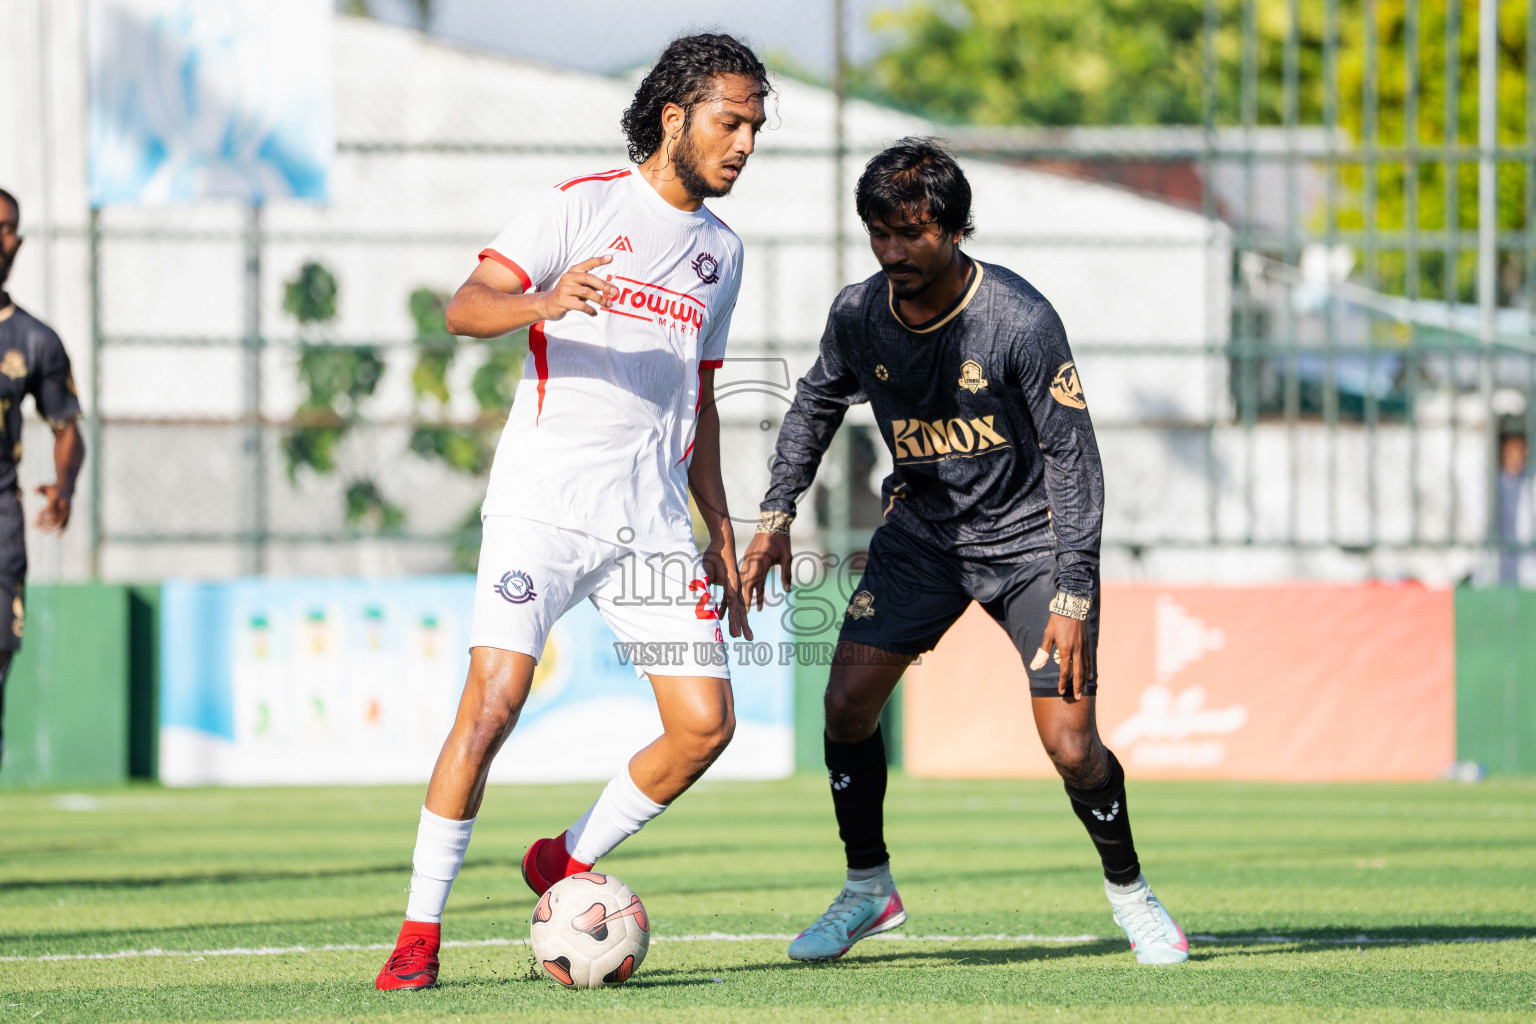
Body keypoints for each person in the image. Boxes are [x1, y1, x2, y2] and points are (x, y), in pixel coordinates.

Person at [374, 34, 769, 991]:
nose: (746, 144)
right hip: (543, 509)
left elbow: (700, 395)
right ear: (675, 116)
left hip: (652, 525)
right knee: (495, 705)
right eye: (731, 122)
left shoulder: (723, 252)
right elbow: (465, 308)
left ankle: (564, 858)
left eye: (756, 126)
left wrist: (720, 526)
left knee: (705, 727)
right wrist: (546, 300)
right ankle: (420, 934)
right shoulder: (580, 206)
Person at [739, 139, 1188, 965]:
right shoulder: (858, 313)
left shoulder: (1017, 319)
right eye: (878, 232)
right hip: (923, 541)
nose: (892, 251)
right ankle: (868, 889)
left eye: (910, 234)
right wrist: (775, 511)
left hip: (1032, 548)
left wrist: (1075, 592)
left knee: (1070, 745)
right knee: (845, 705)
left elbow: (1073, 457)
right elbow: (813, 405)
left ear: (951, 230)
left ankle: (1132, 894)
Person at [0, 188, 85, 775]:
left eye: (7, 227)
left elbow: (66, 427)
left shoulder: (35, 340)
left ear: (19, 242)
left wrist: (64, 485)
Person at [1496, 426, 1534, 586]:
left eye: (1519, 448)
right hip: (1498, 568)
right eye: (1509, 449)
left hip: (1529, 570)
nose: (1515, 455)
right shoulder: (1493, 483)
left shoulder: (1530, 481)